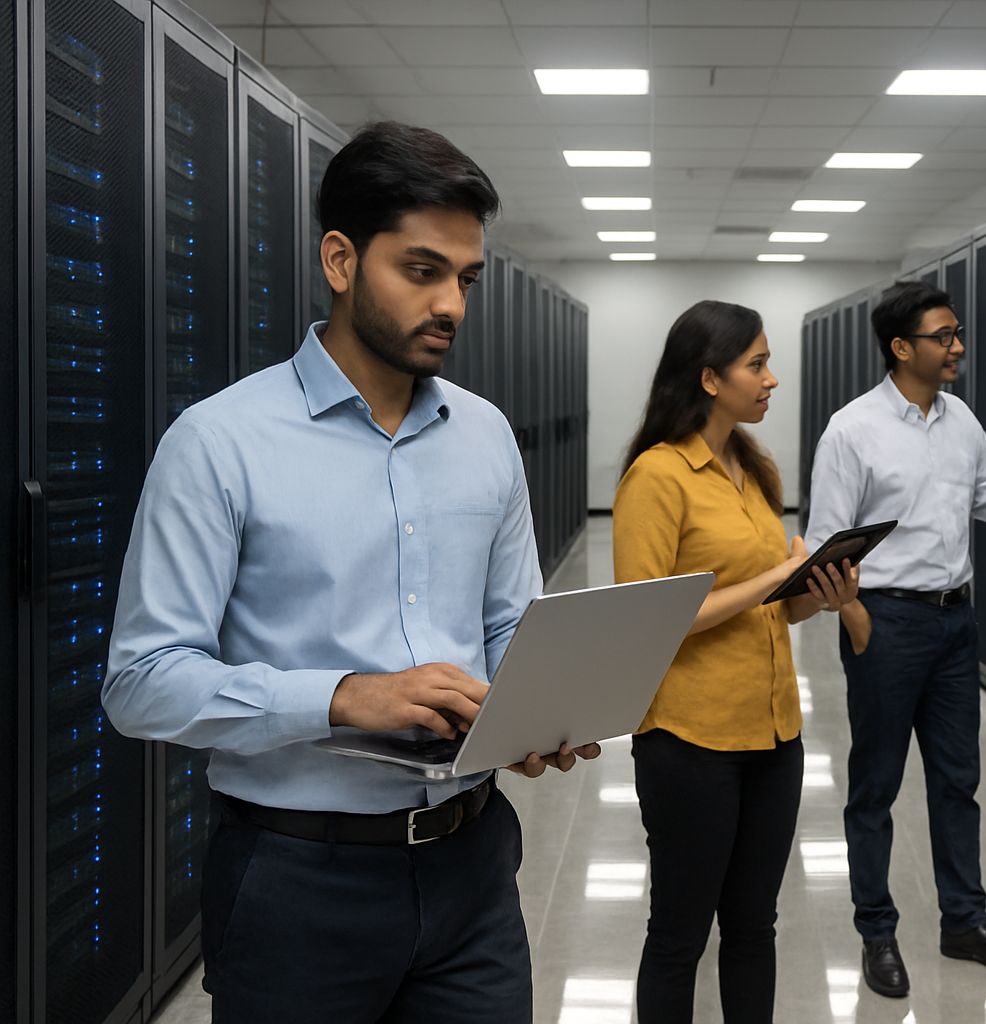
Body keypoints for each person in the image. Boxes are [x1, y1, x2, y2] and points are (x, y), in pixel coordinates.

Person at [101, 122, 597, 1024]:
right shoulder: (218, 443)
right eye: (422, 270)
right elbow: (142, 682)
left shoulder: (486, 435)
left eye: (465, 279)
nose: (450, 304)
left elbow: (506, 627)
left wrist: (531, 715)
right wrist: (343, 697)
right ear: (340, 259)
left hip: (472, 871)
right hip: (297, 883)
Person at [806, 280, 986, 998]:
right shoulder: (851, 430)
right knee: (875, 787)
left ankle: (963, 921)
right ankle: (877, 932)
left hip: (954, 626)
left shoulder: (960, 418)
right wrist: (860, 622)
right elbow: (823, 549)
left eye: (957, 333)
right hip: (886, 623)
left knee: (958, 781)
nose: (958, 345)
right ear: (902, 348)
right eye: (944, 336)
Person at [612, 300, 857, 1023]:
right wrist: (772, 579)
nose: (772, 379)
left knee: (755, 927)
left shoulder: (754, 468)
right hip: (690, 740)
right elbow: (641, 622)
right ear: (710, 378)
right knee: (679, 934)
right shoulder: (657, 476)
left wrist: (818, 594)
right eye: (758, 364)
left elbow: (774, 609)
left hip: (774, 733)